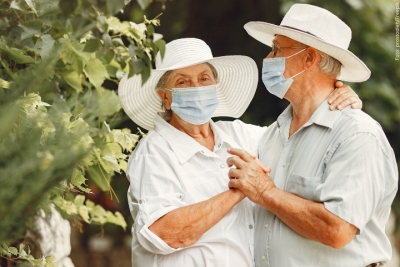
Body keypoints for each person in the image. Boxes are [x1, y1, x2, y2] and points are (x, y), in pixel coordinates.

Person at [118, 38, 362, 267]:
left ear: (215, 86)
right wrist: (240, 191)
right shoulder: (154, 151)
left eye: (204, 79)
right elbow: (165, 234)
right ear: (165, 97)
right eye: (183, 82)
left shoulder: (240, 135)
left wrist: (332, 101)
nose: (196, 87)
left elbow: (296, 140)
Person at [227, 4, 398, 267]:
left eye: (276, 49)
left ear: (309, 59)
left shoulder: (358, 135)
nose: (268, 58)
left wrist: (263, 191)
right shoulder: (273, 135)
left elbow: (338, 229)